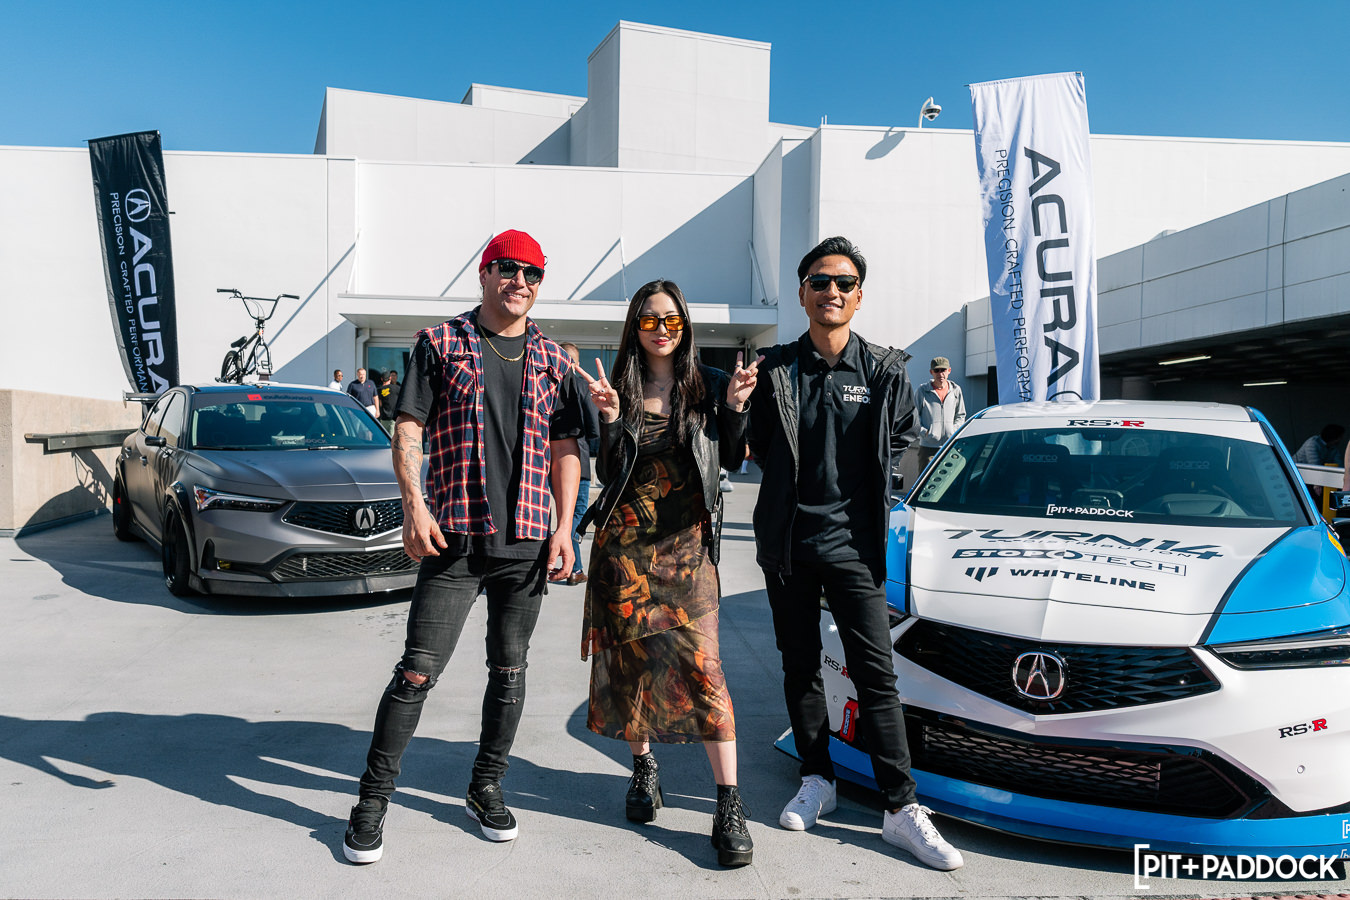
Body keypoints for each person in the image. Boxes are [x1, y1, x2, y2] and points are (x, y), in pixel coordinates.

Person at [343, 229, 583, 864]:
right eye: (508, 269)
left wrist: (564, 528)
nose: (519, 282)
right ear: (484, 273)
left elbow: (566, 449)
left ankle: (486, 786)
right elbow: (409, 426)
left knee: (509, 671)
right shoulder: (440, 343)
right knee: (417, 671)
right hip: (453, 538)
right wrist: (413, 506)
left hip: (525, 542)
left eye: (532, 273)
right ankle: (372, 800)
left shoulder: (554, 359)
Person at [747, 236, 964, 871]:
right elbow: (748, 447)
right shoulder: (775, 369)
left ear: (859, 296)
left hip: (855, 547)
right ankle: (818, 779)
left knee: (876, 674)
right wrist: (734, 407)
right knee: (800, 666)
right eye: (820, 281)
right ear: (802, 294)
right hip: (789, 545)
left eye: (844, 283)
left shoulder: (884, 371)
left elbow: (904, 443)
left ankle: (900, 807)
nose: (832, 291)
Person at [577, 279, 759, 867]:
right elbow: (608, 472)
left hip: (687, 553)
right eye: (651, 319)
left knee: (705, 671)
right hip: (625, 555)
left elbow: (732, 457)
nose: (662, 329)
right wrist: (609, 419)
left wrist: (735, 408)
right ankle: (644, 769)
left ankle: (728, 803)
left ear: (685, 327)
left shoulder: (708, 383)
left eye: (672, 320)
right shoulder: (620, 386)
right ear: (636, 326)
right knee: (633, 670)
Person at [557, 342, 601, 586]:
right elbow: (594, 428)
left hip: (549, 461)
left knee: (558, 514)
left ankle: (572, 566)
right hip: (578, 460)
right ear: (576, 363)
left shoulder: (546, 382)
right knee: (576, 515)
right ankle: (574, 568)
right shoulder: (582, 385)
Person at [913, 356, 966, 471]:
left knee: (949, 478)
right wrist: (926, 433)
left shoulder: (956, 390)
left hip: (950, 446)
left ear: (949, 371)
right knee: (926, 479)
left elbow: (961, 415)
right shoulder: (922, 391)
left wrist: (953, 431)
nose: (940, 374)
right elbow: (913, 417)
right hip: (928, 448)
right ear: (931, 372)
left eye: (943, 370)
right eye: (936, 370)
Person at [377, 370, 402, 435]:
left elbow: (380, 404)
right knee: (392, 437)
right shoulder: (397, 388)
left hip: (383, 418)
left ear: (381, 379)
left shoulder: (379, 390)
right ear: (390, 378)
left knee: (384, 436)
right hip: (393, 417)